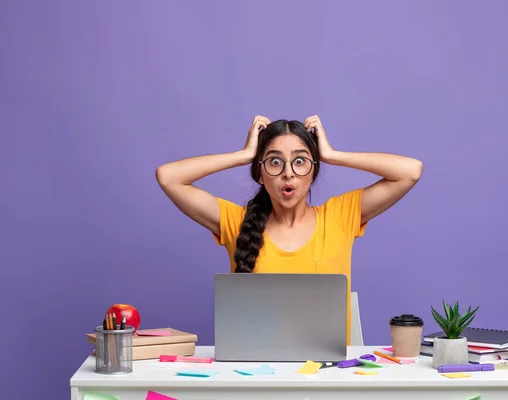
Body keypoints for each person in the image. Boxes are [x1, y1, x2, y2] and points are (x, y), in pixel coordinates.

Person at [156, 115, 423, 344]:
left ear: (313, 171)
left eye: (300, 161)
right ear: (260, 174)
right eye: (274, 162)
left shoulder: (340, 215)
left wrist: (332, 155)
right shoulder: (235, 222)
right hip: (257, 376)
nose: (288, 173)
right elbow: (169, 177)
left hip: (327, 377)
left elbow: (410, 171)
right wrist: (244, 155)